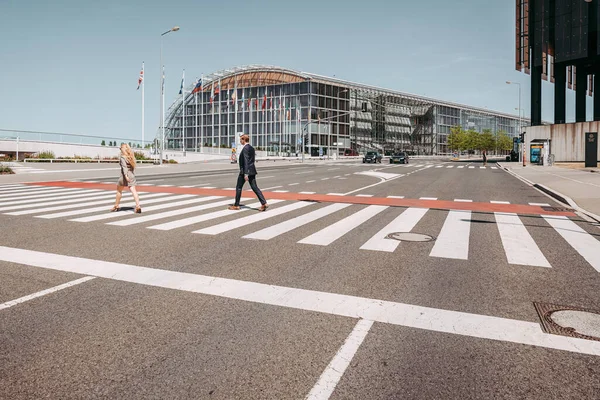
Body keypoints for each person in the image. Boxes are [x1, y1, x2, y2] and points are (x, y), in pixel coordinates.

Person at [228, 134, 268, 211]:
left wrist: (246, 173)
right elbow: (251, 160)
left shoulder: (245, 148)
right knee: (255, 188)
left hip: (245, 171)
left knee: (239, 187)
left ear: (244, 140)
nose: (240, 141)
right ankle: (264, 203)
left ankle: (236, 205)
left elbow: (246, 161)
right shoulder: (252, 148)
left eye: (241, 140)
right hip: (252, 170)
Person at [111, 143, 141, 213]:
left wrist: (126, 176)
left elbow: (124, 168)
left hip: (124, 176)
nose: (120, 149)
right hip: (132, 175)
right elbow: (132, 168)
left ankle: (116, 205)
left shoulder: (123, 158)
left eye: (120, 148)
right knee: (134, 191)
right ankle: (138, 206)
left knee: (119, 191)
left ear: (123, 149)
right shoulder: (131, 157)